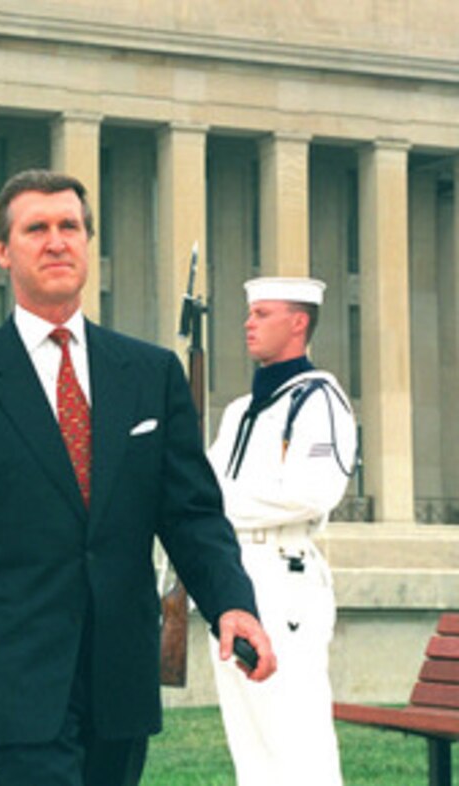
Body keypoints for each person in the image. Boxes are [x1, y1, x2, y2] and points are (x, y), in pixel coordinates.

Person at [0, 169, 277, 786]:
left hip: (120, 676)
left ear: (88, 243)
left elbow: (191, 514)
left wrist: (232, 602)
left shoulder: (149, 374)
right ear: (3, 250)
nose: (56, 242)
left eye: (69, 227)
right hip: (16, 676)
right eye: (36, 229)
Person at [206, 277, 356, 786]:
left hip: (284, 577)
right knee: (250, 741)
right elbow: (202, 485)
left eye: (263, 313)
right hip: (232, 577)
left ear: (298, 323)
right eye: (250, 312)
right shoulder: (238, 412)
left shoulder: (320, 400)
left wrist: (214, 507)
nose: (248, 323)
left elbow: (313, 491)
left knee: (295, 736)